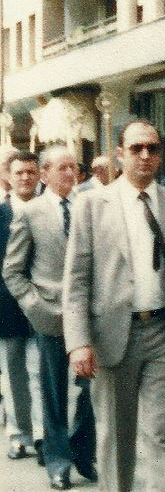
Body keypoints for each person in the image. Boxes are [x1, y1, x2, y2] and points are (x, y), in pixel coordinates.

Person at [62, 121, 165, 492]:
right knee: (117, 441)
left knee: (163, 435)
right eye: (136, 148)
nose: (145, 156)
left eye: (152, 149)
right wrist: (78, 342)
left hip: (163, 333)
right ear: (120, 153)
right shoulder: (91, 205)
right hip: (112, 337)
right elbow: (75, 279)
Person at [4, 146, 98, 490]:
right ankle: (58, 461)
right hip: (51, 315)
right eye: (61, 168)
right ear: (44, 174)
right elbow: (12, 270)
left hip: (90, 314)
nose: (69, 173)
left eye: (73, 167)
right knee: (54, 391)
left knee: (92, 389)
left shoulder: (89, 206)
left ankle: (84, 451)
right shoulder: (31, 213)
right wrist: (35, 306)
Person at [0, 151, 40, 464]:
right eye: (19, 173)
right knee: (13, 375)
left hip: (43, 305)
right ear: (9, 177)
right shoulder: (0, 214)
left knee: (41, 372)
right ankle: (18, 434)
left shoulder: (47, 210)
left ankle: (41, 433)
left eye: (30, 172)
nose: (25, 178)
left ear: (38, 174)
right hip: (7, 309)